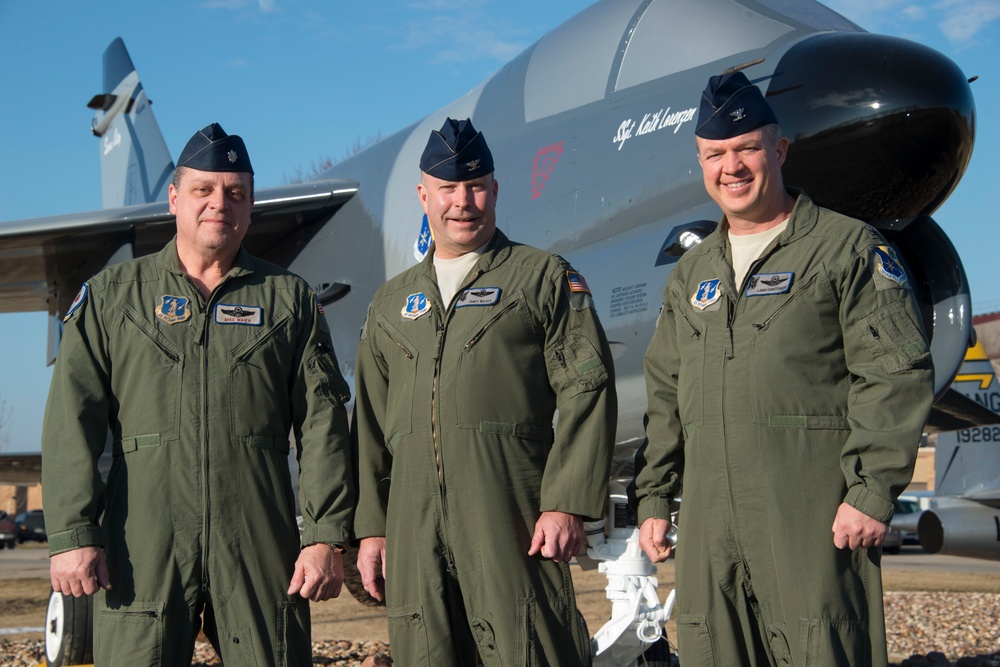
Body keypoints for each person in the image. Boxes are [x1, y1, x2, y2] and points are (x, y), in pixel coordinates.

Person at [630, 72, 934, 666]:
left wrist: (871, 490)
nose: (732, 167)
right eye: (715, 154)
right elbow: (666, 396)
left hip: (811, 514)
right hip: (710, 526)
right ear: (701, 162)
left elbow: (895, 370)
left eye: (746, 149)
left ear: (780, 150)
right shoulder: (691, 276)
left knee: (822, 647)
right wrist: (653, 499)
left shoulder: (847, 249)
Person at [41, 123, 354, 666]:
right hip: (143, 543)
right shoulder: (115, 298)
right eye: (203, 190)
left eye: (235, 193)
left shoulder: (289, 300)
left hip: (258, 543)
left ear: (251, 205)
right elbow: (72, 422)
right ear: (174, 198)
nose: (219, 204)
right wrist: (72, 533)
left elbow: (322, 424)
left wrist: (325, 535)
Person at [352, 117, 617, 666]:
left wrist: (567, 501)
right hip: (413, 525)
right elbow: (371, 430)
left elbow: (588, 388)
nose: (463, 202)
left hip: (510, 515)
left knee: (531, 647)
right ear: (424, 196)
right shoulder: (391, 304)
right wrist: (372, 529)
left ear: (495, 191)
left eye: (475, 187)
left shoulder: (542, 278)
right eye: (448, 189)